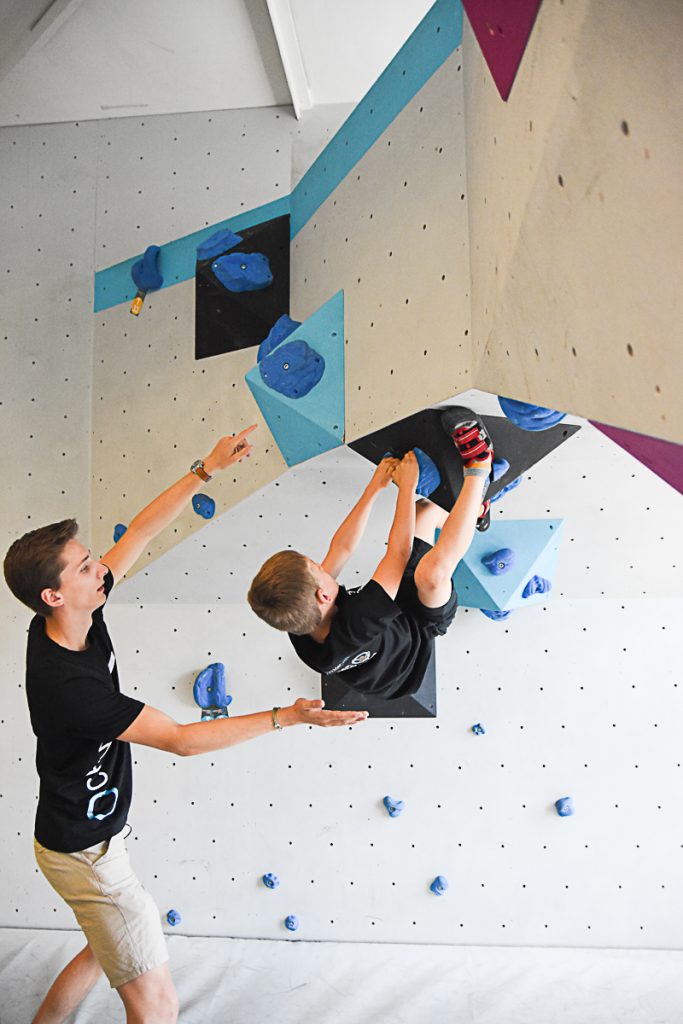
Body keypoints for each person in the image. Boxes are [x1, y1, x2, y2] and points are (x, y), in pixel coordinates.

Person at [3, 424, 367, 1024]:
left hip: (82, 837)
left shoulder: (73, 617)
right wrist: (287, 716)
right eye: (85, 567)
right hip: (86, 852)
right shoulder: (69, 688)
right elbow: (181, 740)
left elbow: (139, 531)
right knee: (158, 1005)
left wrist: (208, 468)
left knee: (106, 948)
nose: (101, 570)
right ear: (53, 595)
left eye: (94, 559)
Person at [248, 408, 494, 701]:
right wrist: (407, 486)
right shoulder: (358, 625)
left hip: (392, 619)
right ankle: (480, 467)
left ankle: (472, 513)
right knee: (431, 573)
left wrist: (374, 488)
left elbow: (342, 548)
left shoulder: (298, 615)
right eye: (316, 567)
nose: (322, 566)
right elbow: (398, 554)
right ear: (323, 597)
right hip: (419, 629)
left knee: (424, 512)